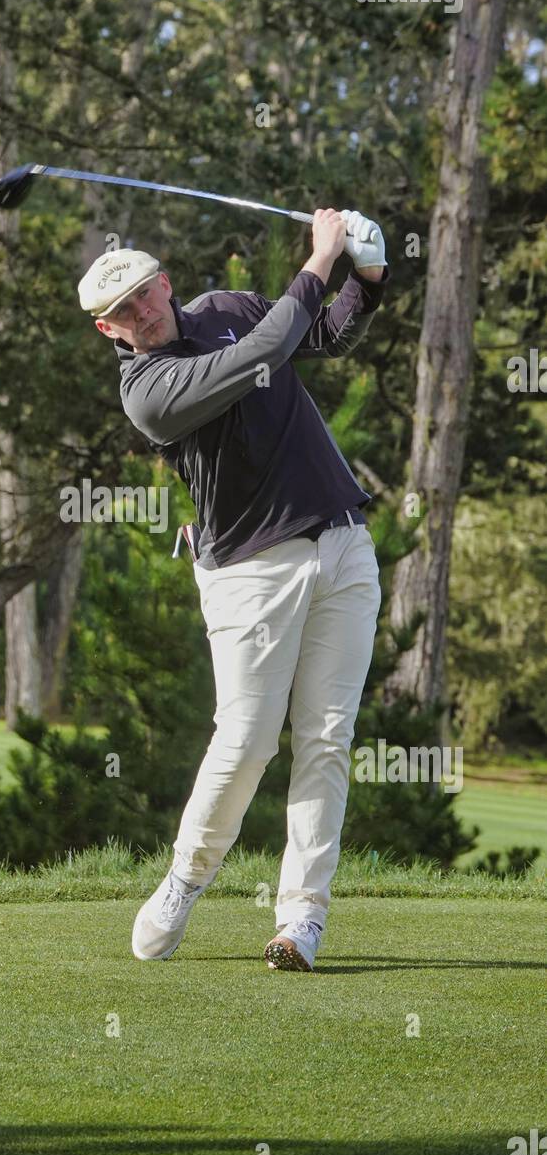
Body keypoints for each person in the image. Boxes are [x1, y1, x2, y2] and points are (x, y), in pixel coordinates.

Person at [77, 209, 388, 972]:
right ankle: (186, 880)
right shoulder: (148, 390)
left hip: (343, 544)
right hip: (251, 570)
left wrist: (368, 276)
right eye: (123, 313)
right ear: (107, 331)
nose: (142, 314)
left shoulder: (223, 308)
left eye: (146, 295)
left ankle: (301, 921)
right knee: (246, 743)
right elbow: (268, 350)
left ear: (165, 283)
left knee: (326, 740)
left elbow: (321, 335)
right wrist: (320, 258)